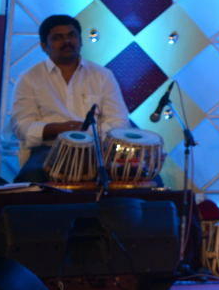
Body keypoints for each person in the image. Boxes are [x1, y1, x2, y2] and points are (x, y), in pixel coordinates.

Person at [12, 15, 131, 183]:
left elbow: (119, 121)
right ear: (44, 46)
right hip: (49, 150)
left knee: (138, 179)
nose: (67, 41)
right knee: (31, 180)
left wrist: (85, 135)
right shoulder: (29, 78)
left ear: (80, 41)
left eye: (71, 35)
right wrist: (58, 129)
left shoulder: (102, 75)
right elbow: (22, 126)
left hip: (96, 150)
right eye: (57, 38)